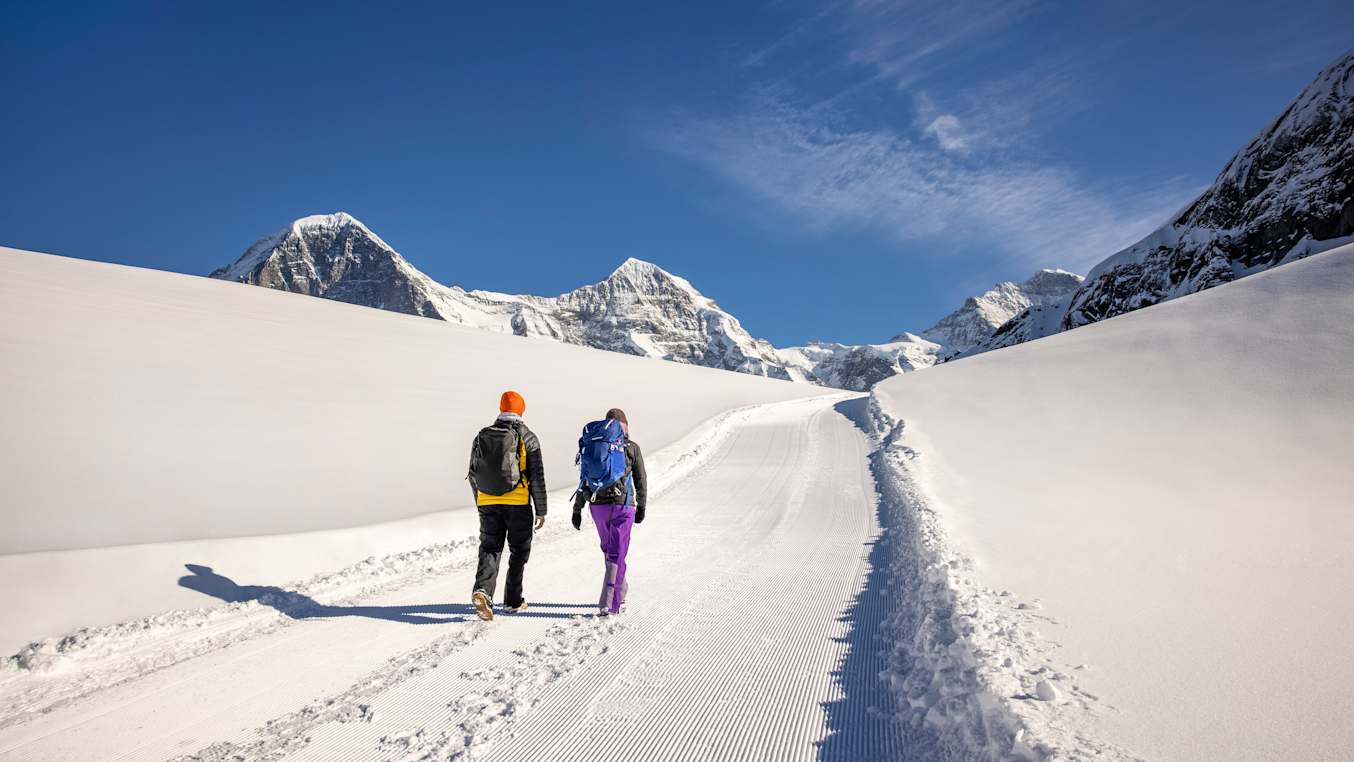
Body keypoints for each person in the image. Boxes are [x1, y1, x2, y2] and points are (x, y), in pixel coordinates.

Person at [467, 390, 546, 620]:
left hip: (488, 501)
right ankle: (512, 600)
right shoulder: (528, 437)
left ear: (501, 409)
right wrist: (541, 510)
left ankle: (483, 590)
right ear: (521, 410)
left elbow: (473, 473)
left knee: (490, 547)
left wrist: (481, 502)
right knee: (519, 551)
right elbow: (537, 476)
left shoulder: (482, 435)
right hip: (518, 503)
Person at [572, 407, 647, 615]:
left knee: (609, 551)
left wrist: (577, 509)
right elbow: (641, 480)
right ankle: (609, 604)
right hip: (623, 506)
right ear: (625, 425)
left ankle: (619, 591)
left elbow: (584, 480)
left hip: (598, 507)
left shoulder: (595, 446)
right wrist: (642, 506)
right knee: (617, 554)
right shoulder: (632, 448)